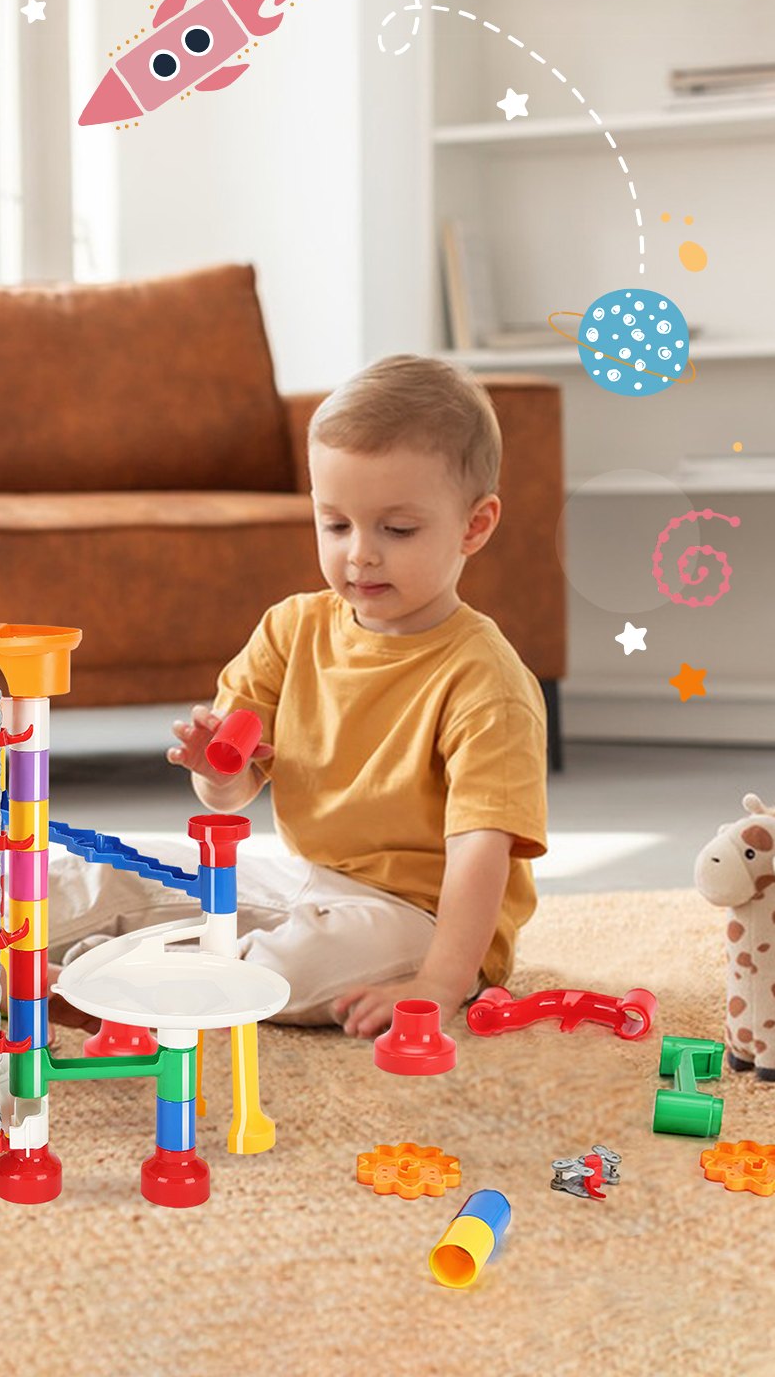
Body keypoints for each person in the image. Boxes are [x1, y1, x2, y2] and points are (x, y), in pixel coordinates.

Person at [45, 354, 548, 1041]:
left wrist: (439, 983)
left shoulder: (487, 681)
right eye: (336, 524)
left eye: (396, 530)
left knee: (310, 959)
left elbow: (480, 856)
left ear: (475, 525)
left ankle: (118, 983)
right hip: (303, 879)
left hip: (417, 919)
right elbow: (229, 796)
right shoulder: (292, 628)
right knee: (108, 869)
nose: (359, 555)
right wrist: (218, 772)